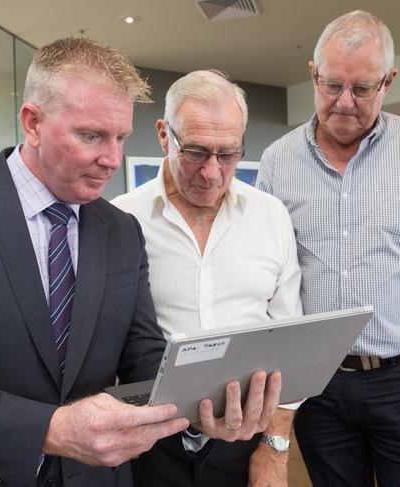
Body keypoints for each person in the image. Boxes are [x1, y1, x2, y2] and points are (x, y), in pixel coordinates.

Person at [0, 38, 281, 487]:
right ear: (33, 123)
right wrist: (50, 431)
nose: (112, 159)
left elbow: (143, 357)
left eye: (119, 136)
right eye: (91, 135)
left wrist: (198, 410)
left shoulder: (121, 230)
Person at [257, 10, 400, 486]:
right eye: (331, 86)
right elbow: (265, 271)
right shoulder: (279, 161)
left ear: (389, 82)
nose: (344, 103)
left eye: (362, 89)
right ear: (312, 75)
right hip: (316, 381)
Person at [113, 70, 303, 487]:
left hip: (248, 433)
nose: (213, 173)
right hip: (149, 437)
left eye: (229, 153)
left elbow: (288, 339)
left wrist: (275, 447)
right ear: (164, 135)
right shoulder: (121, 218)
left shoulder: (270, 216)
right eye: (196, 152)